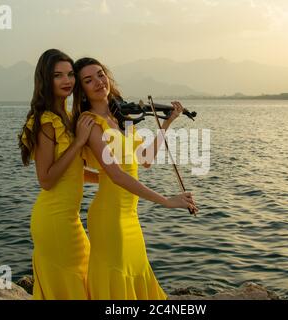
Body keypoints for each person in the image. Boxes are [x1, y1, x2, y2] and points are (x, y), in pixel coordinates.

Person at [73, 57, 198, 300]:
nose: (99, 82)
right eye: (89, 80)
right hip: (109, 218)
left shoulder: (123, 118)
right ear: (83, 90)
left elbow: (147, 159)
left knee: (137, 277)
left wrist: (167, 122)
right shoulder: (90, 122)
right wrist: (168, 201)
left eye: (100, 74)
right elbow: (117, 175)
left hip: (129, 216)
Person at [18, 49, 97, 299]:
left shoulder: (66, 117)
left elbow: (72, 171)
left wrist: (108, 178)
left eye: (70, 74)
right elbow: (47, 179)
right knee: (73, 287)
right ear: (45, 80)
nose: (67, 81)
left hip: (69, 219)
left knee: (82, 282)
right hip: (54, 220)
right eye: (58, 75)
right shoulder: (46, 121)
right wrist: (78, 142)